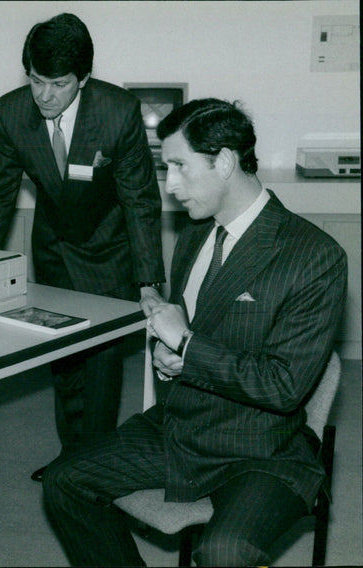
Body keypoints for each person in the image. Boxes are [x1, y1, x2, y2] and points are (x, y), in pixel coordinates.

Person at [42, 98, 347, 566]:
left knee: (225, 552)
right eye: (167, 169)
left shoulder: (314, 255)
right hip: (181, 427)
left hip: (265, 446)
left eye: (180, 166)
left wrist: (186, 345)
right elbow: (192, 335)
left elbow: (284, 387)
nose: (171, 186)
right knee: (65, 482)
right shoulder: (194, 233)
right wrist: (171, 362)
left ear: (224, 161)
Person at [0, 13, 165, 480]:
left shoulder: (117, 112)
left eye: (58, 84)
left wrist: (149, 282)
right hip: (54, 247)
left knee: (100, 364)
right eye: (36, 80)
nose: (44, 95)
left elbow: (140, 200)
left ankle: (90, 468)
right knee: (63, 358)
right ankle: (70, 455)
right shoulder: (12, 111)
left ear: (82, 78)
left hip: (108, 248)